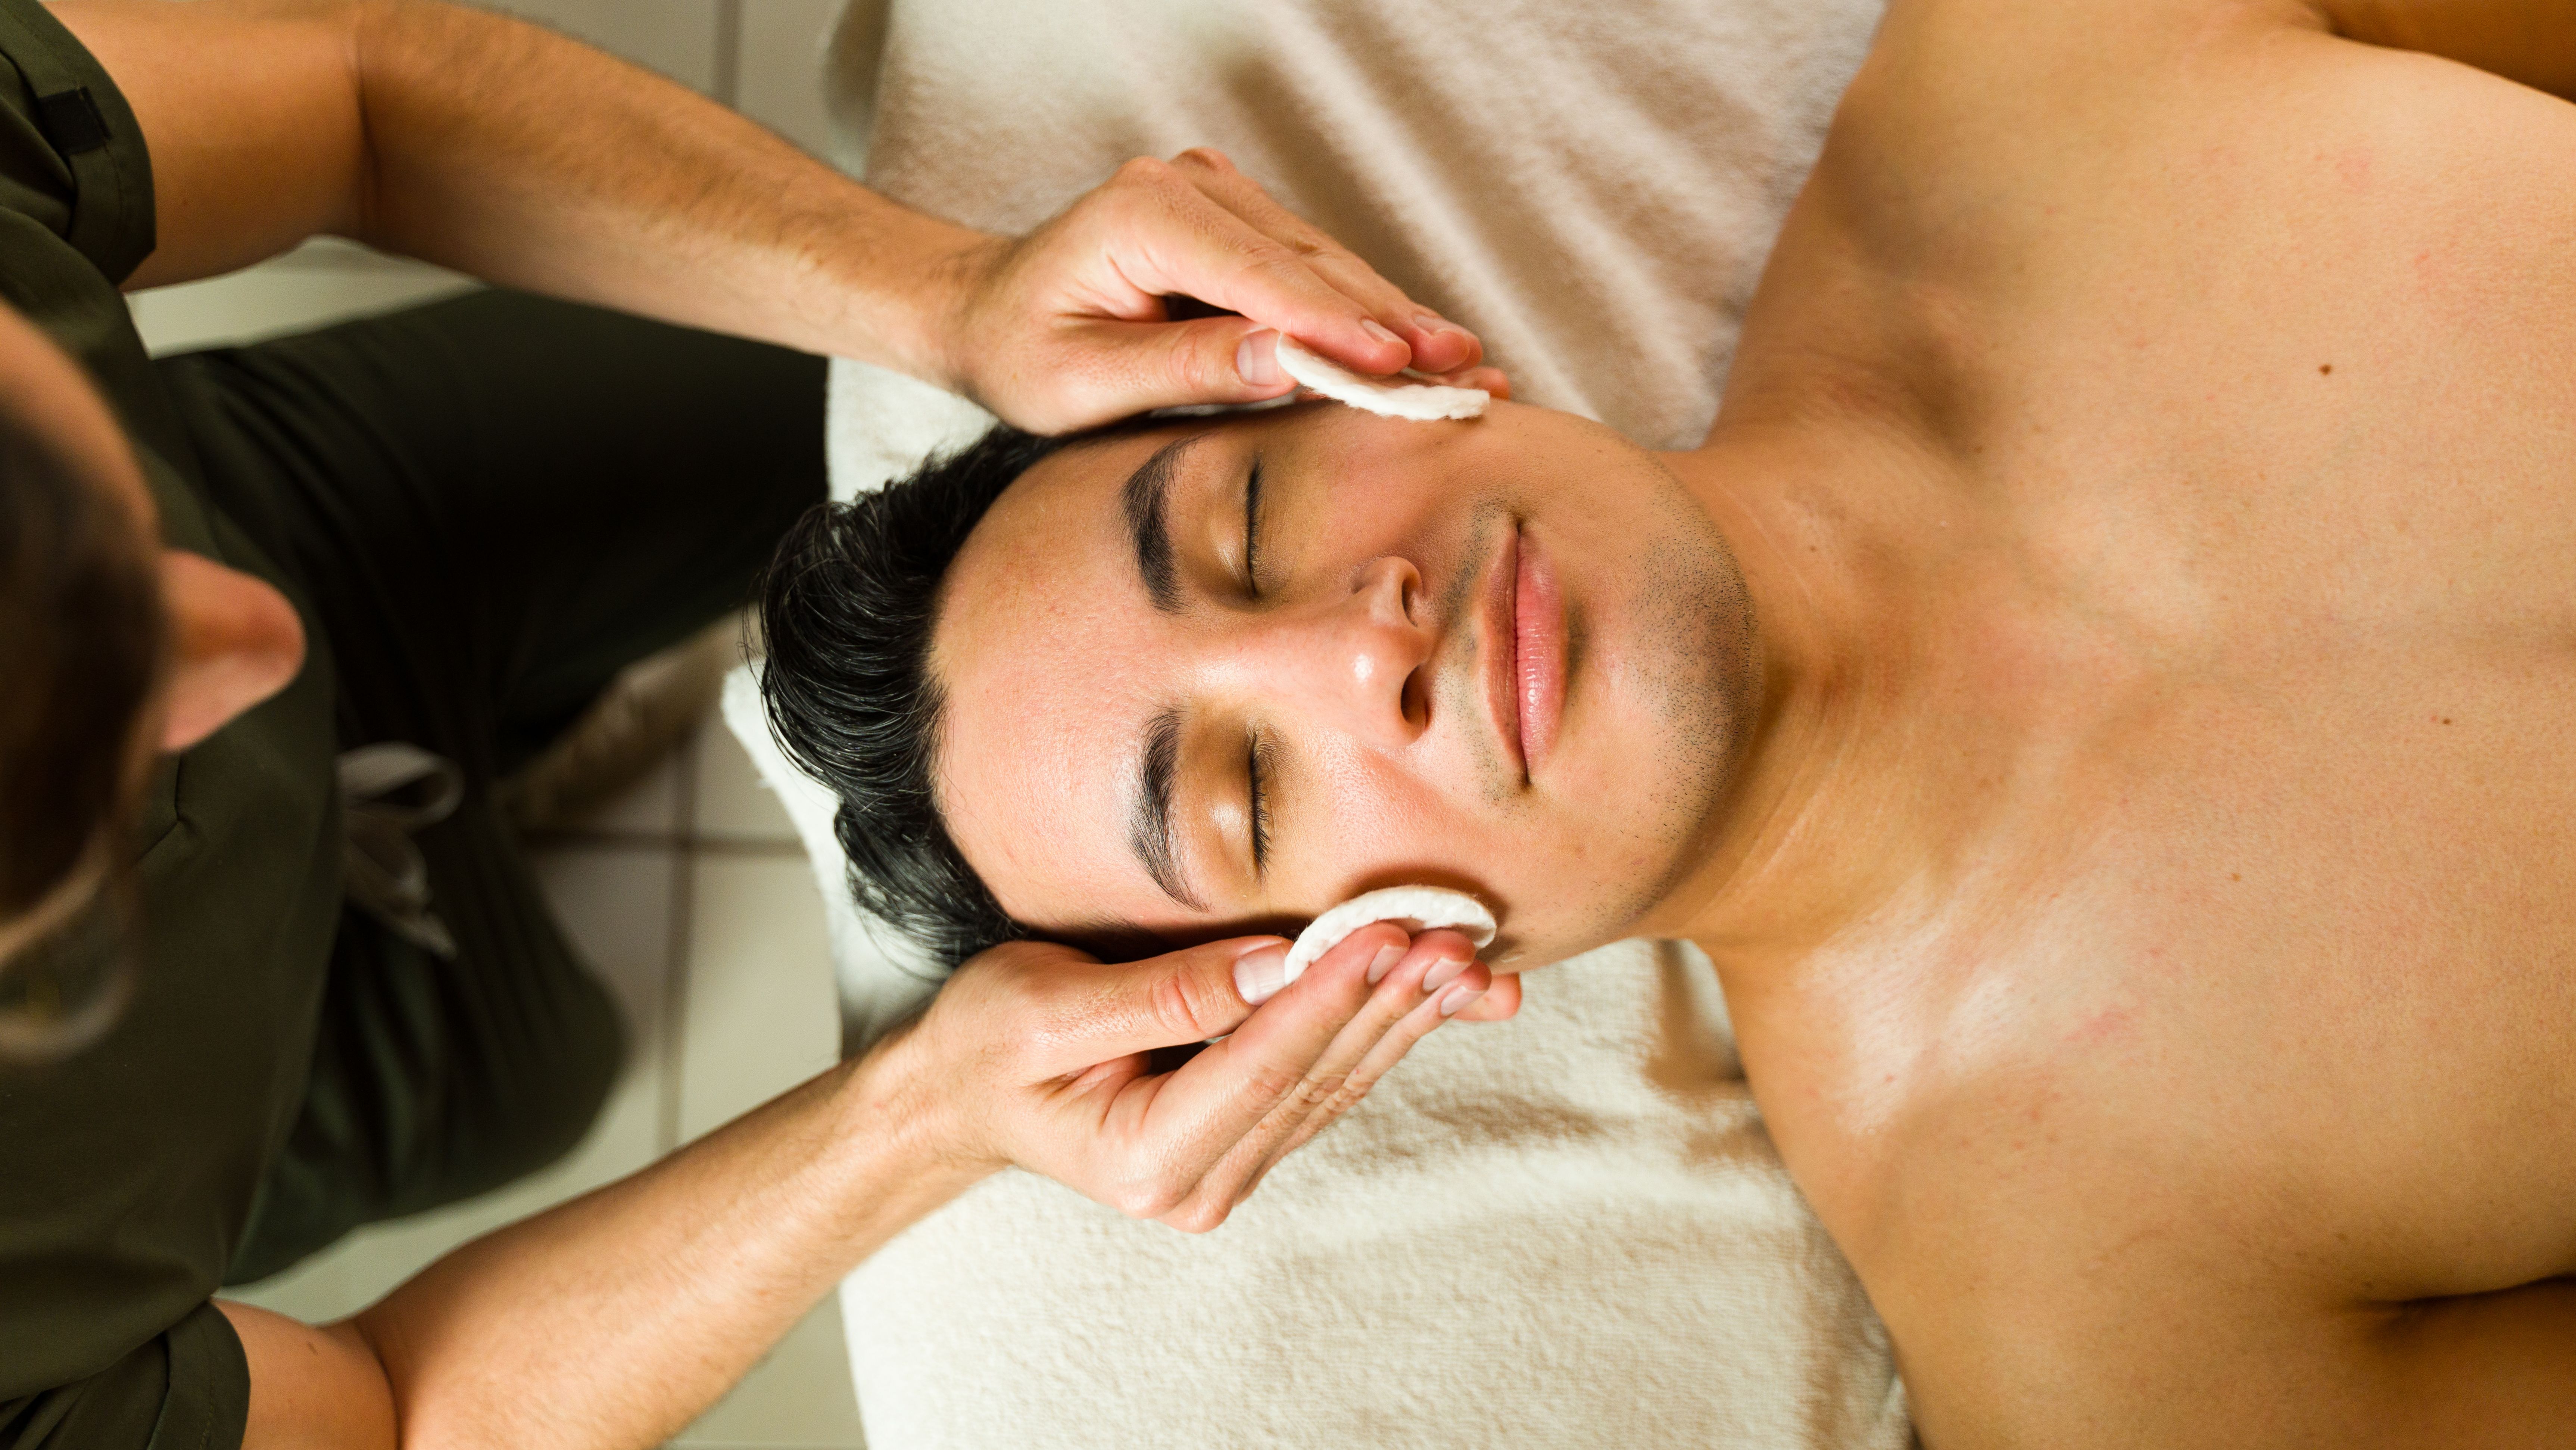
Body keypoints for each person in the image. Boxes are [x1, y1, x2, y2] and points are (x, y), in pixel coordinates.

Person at [757, 0, 2576, 1441]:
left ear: (1359, 362)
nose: (1351, 651)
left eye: (1246, 529)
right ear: (1340, 978)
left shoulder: (2050, 70)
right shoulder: (2127, 1338)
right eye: (1248, 789)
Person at [0, 0, 1521, 1444]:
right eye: (88, 764)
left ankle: (513, 718)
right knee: (542, 1077)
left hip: (322, 500)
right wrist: (927, 1109)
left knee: (816, 397)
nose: (256, 639)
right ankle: (514, 777)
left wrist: (949, 301)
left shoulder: (237, 572)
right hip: (317, 1042)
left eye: (76, 505)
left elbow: (359, 94)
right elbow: (404, 1409)